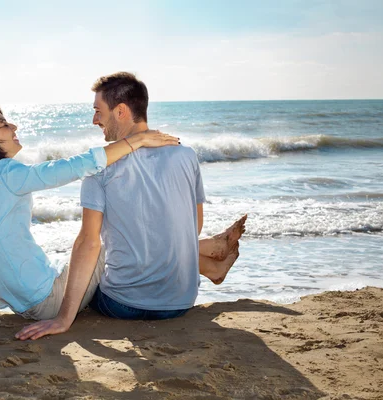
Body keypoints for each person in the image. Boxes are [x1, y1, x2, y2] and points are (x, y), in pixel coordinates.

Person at [0, 104, 179, 326]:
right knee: (115, 240)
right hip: (50, 301)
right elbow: (71, 167)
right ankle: (189, 263)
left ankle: (193, 260)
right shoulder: (9, 174)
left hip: (23, 307)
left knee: (84, 254)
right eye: (3, 124)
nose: (13, 126)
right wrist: (137, 140)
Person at [16, 72, 245, 340]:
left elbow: (89, 244)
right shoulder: (186, 155)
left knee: (94, 267)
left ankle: (213, 261)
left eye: (98, 111)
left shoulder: (100, 168)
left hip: (122, 305)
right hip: (181, 303)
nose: (94, 120)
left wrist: (64, 318)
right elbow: (194, 226)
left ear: (121, 111)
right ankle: (213, 263)